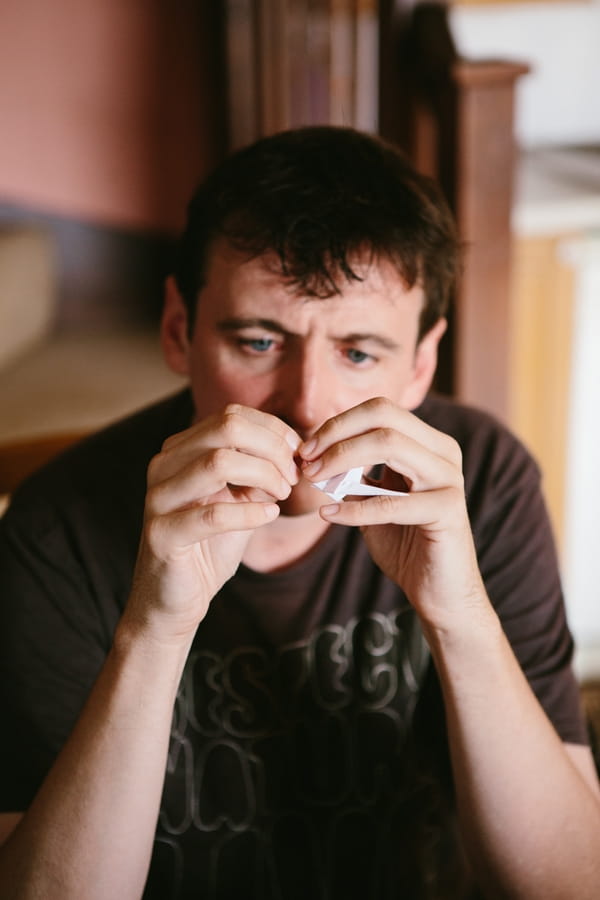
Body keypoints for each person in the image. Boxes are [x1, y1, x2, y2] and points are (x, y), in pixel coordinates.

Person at [0, 126, 598, 900]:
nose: (306, 405)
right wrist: (154, 627)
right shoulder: (55, 531)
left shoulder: (480, 480)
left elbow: (571, 885)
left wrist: (459, 616)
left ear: (421, 364)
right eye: (257, 341)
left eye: (359, 353)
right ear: (180, 329)